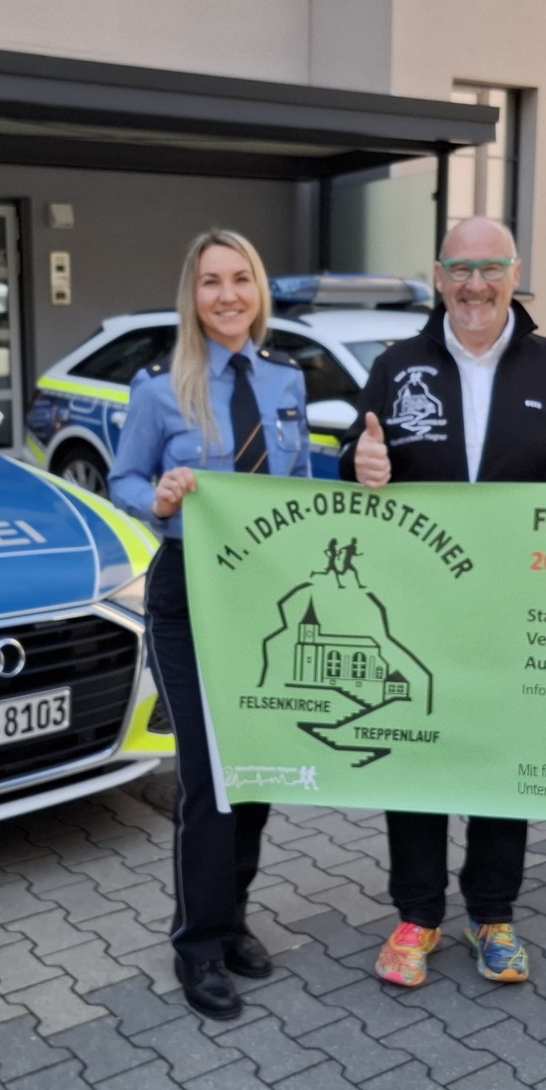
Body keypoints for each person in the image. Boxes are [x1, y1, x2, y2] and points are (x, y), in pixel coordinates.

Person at [339, 215, 546, 988]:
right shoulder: (396, 365)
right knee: (416, 756)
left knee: (500, 760)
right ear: (437, 276)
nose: (475, 285)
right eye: (460, 268)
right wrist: (357, 463)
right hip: (415, 604)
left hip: (514, 605)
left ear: (515, 275)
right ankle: (418, 915)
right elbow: (352, 463)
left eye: (491, 268)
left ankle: (494, 913)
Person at [109, 229, 312, 1021]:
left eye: (241, 280)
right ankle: (196, 943)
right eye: (211, 283)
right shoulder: (162, 389)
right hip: (188, 593)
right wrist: (155, 498)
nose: (227, 295)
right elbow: (126, 475)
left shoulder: (286, 380)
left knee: (254, 770)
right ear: (191, 297)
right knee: (206, 775)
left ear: (258, 290)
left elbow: (295, 484)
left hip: (266, 595)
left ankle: (233, 923)